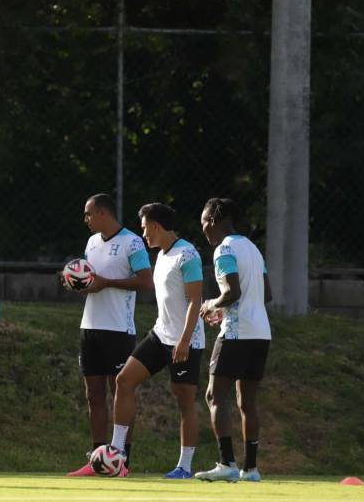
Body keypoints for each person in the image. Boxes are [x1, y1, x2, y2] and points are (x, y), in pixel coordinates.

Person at [108, 203, 205, 479]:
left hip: (186, 341)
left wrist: (184, 340)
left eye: (144, 229)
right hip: (160, 334)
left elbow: (195, 300)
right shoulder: (162, 254)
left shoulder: (187, 254)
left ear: (156, 226)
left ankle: (185, 466)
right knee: (124, 380)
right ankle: (116, 454)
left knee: (184, 400)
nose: (143, 235)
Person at [67, 193, 152, 477]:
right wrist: (78, 283)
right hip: (89, 326)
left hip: (118, 329)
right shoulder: (92, 242)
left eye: (88, 213)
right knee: (93, 395)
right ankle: (97, 459)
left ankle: (122, 460)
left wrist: (107, 284)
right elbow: (91, 279)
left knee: (121, 392)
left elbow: (145, 281)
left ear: (103, 212)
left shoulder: (132, 241)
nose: (85, 219)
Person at [194, 198, 272, 483]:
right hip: (260, 332)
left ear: (214, 219)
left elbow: (233, 291)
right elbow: (265, 295)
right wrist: (226, 307)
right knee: (247, 401)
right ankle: (251, 469)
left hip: (237, 333)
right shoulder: (253, 249)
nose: (203, 229)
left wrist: (211, 305)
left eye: (204, 222)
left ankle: (226, 462)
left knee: (215, 394)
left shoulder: (223, 249)